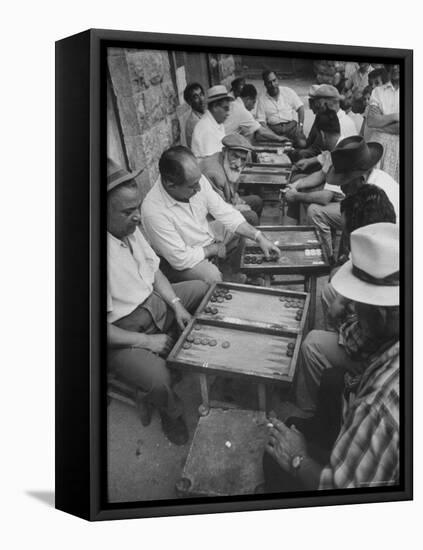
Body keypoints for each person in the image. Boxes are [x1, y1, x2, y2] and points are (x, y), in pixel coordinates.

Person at [264, 222, 400, 491]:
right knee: (334, 379)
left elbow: (341, 489)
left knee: (272, 457)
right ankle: (328, 436)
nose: (352, 307)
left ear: (381, 314)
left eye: (357, 303)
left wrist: (297, 458)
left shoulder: (378, 406)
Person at [106, 159, 208, 445]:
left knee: (201, 288)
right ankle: (171, 412)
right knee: (159, 379)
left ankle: (175, 342)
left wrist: (176, 304)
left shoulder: (131, 229)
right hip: (122, 333)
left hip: (154, 306)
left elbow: (156, 273)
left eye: (137, 207)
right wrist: (145, 342)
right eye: (128, 211)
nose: (138, 217)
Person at [141, 146, 280, 284]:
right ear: (170, 184)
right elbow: (180, 259)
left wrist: (259, 237)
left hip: (206, 236)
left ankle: (235, 273)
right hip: (181, 260)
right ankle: (228, 279)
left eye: (199, 180)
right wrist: (212, 249)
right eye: (192, 186)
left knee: (247, 221)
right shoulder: (153, 211)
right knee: (212, 276)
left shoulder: (195, 179)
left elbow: (225, 212)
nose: (199, 188)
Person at [287, 136, 399, 262]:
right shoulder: (365, 187)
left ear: (360, 179)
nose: (341, 187)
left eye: (344, 182)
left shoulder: (377, 199)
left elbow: (374, 249)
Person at [284, 108, 343, 223]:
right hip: (335, 194)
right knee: (298, 184)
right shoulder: (336, 145)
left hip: (346, 204)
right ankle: (296, 227)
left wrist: (297, 196)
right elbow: (321, 174)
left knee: (312, 207)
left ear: (322, 134)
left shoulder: (340, 153)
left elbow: (325, 197)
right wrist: (296, 185)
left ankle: (320, 239)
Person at [200, 133, 263, 226]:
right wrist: (237, 208)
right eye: (235, 156)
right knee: (251, 216)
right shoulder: (214, 173)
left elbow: (231, 187)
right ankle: (250, 236)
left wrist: (235, 197)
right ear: (225, 151)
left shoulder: (225, 160)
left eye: (242, 159)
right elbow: (216, 211)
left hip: (225, 202)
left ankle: (247, 235)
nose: (238, 163)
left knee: (257, 201)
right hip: (209, 217)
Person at [256, 70, 306, 148]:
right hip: (274, 130)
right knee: (261, 139)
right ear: (265, 84)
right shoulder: (262, 99)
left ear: (277, 80)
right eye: (269, 82)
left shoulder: (288, 91)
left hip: (291, 128)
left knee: (302, 144)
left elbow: (300, 108)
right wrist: (273, 135)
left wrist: (300, 126)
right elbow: (261, 122)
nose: (273, 85)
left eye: (274, 80)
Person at [367, 64, 400, 182]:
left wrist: (381, 124)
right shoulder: (378, 91)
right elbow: (371, 121)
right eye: (393, 64)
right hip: (378, 146)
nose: (395, 67)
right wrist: (396, 116)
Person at [191, 85, 233, 159]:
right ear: (215, 107)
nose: (228, 113)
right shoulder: (205, 128)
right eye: (225, 109)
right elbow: (212, 163)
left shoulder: (217, 121)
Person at [183, 82, 206, 148]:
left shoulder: (204, 113)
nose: (201, 99)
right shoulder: (194, 122)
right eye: (196, 97)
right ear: (189, 102)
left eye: (201, 95)